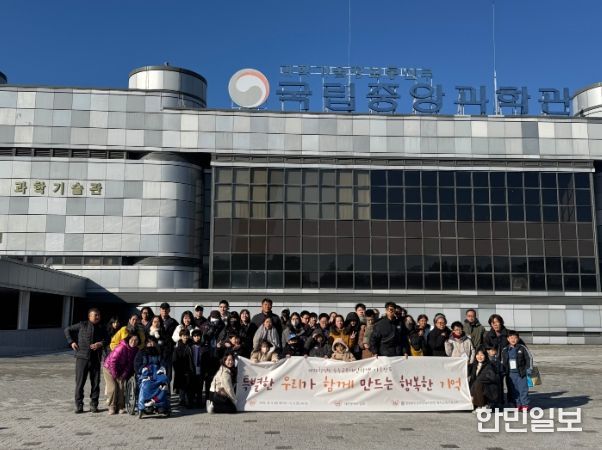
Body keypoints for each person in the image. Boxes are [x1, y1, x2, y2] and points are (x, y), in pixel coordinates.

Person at [64, 308, 108, 413]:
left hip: (95, 358)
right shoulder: (82, 325)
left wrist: (100, 344)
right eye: (95, 315)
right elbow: (67, 330)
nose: (97, 317)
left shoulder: (102, 327)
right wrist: (71, 342)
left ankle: (94, 404)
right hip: (82, 358)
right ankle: (79, 405)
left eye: (98, 315)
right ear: (89, 316)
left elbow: (108, 339)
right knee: (80, 383)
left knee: (95, 383)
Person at [102, 334, 139, 415]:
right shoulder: (121, 347)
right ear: (128, 339)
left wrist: (123, 375)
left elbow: (130, 365)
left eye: (136, 340)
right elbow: (112, 362)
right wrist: (115, 375)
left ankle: (120, 406)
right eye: (132, 339)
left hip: (121, 370)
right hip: (109, 368)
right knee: (113, 387)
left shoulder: (135, 350)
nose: (133, 342)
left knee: (121, 387)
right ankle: (112, 406)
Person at [501, 331, 533, 412]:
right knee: (513, 390)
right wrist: (503, 371)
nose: (513, 339)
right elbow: (502, 362)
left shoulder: (522, 348)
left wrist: (529, 369)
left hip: (521, 374)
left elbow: (529, 358)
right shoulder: (505, 350)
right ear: (508, 339)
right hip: (510, 375)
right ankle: (517, 404)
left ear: (518, 339)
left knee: (523, 390)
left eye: (515, 338)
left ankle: (525, 405)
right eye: (511, 338)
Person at [199, 310, 225, 408]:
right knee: (204, 377)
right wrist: (210, 331)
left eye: (217, 318)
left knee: (214, 378)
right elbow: (202, 339)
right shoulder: (204, 325)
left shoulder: (222, 325)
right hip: (206, 354)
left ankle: (211, 398)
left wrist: (221, 343)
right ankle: (203, 398)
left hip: (217, 355)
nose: (215, 320)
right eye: (214, 318)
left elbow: (224, 336)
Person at [172, 329, 194, 408]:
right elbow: (174, 360)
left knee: (189, 386)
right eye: (184, 335)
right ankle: (182, 400)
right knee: (182, 386)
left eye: (187, 335)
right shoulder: (177, 347)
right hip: (181, 369)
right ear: (180, 336)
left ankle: (189, 401)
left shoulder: (191, 345)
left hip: (190, 368)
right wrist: (177, 370)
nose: (185, 337)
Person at [159, 302, 178, 380]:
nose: (164, 311)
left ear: (169, 310)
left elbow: (178, 333)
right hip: (157, 349)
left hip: (169, 349)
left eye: (166, 309)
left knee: (168, 370)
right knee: (158, 369)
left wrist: (173, 344)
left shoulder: (173, 322)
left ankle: (167, 386)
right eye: (163, 309)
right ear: (160, 310)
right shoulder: (155, 320)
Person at [190, 329, 204, 408]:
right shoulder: (190, 347)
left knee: (199, 386)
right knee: (192, 386)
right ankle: (191, 402)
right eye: (195, 336)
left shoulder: (203, 347)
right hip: (192, 369)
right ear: (192, 337)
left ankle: (199, 402)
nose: (197, 338)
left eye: (198, 336)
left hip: (200, 368)